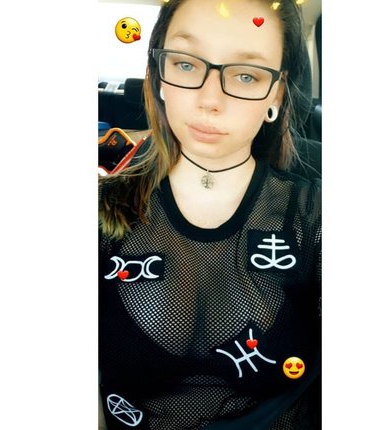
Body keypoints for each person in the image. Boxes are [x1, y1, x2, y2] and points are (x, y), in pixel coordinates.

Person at [98, 0, 321, 428]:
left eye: (245, 75)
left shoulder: (316, 217)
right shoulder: (99, 204)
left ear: (276, 93)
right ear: (158, 74)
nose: (209, 101)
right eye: (185, 64)